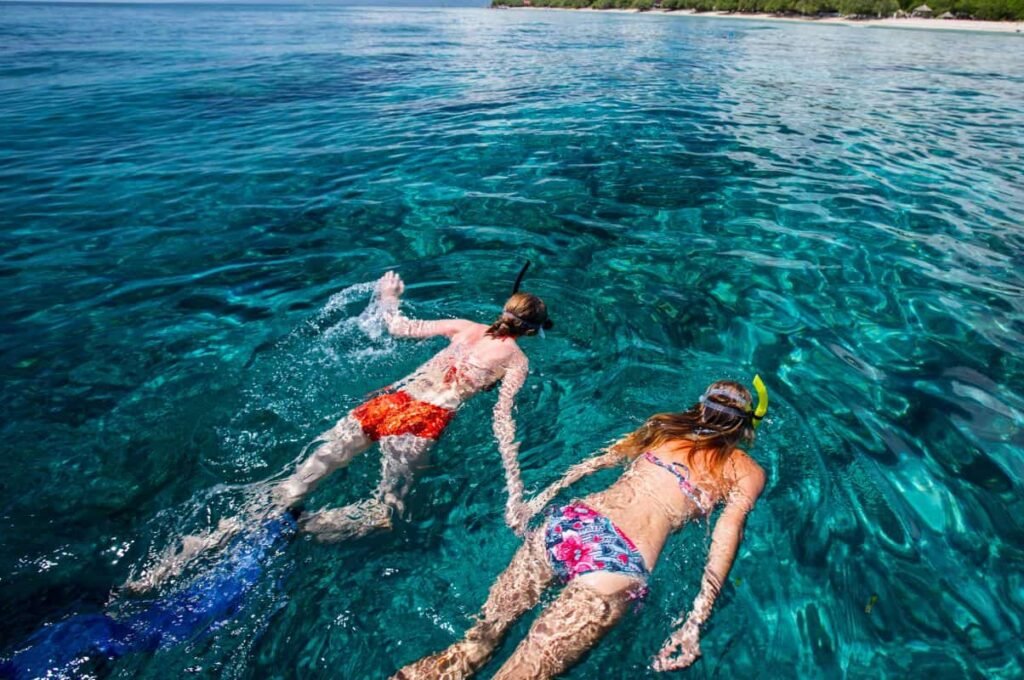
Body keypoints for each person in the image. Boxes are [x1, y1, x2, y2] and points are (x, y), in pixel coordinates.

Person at [125, 264, 551, 592]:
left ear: (504, 311)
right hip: (421, 422)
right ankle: (297, 526)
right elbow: (502, 421)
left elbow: (397, 327)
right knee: (386, 515)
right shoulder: (516, 361)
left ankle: (182, 557)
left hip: (386, 402)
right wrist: (516, 491)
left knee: (290, 486)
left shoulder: (463, 327)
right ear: (530, 331)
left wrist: (388, 296)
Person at [392, 378, 769, 679]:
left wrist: (538, 501)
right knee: (524, 670)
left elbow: (596, 462)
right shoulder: (746, 471)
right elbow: (725, 537)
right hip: (617, 560)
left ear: (701, 406)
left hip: (570, 524)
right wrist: (695, 620)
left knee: (474, 643)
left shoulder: (663, 429)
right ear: (747, 424)